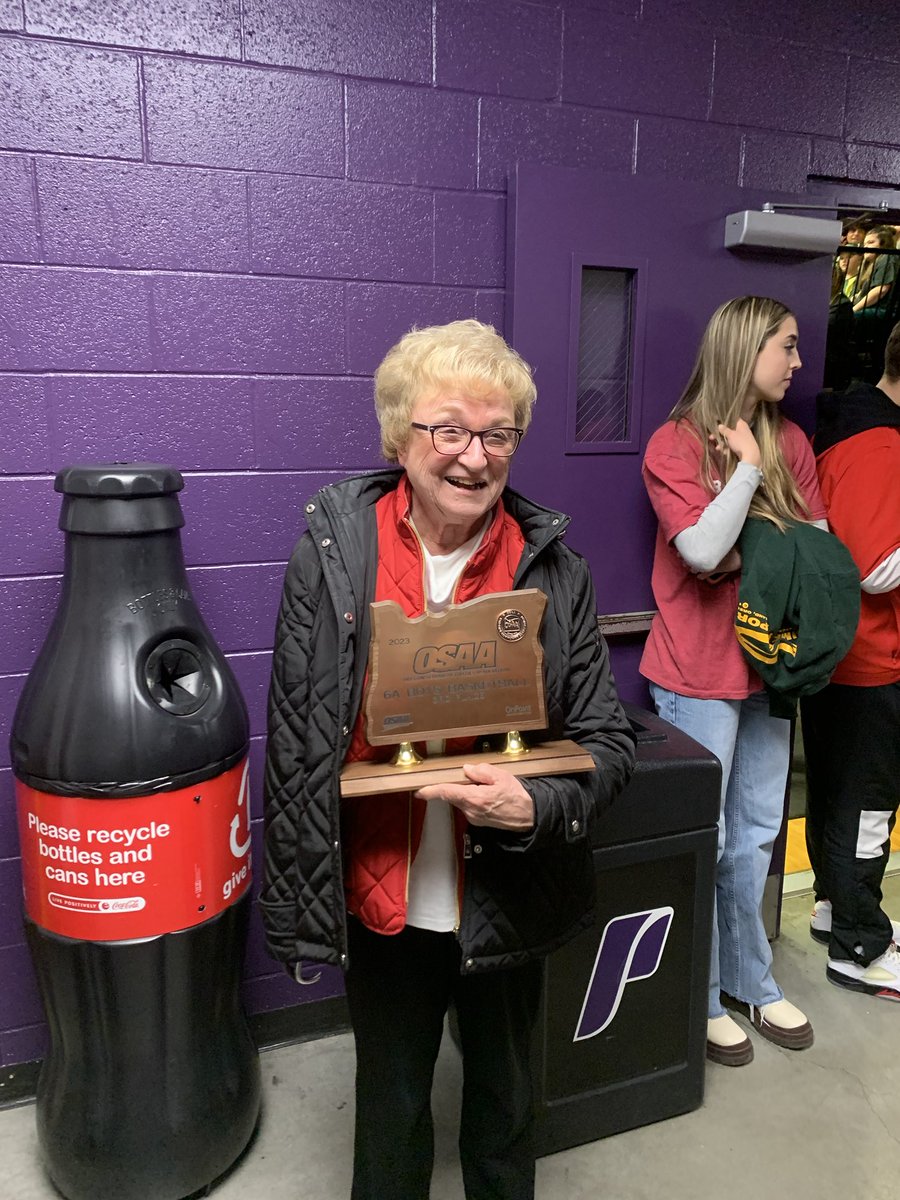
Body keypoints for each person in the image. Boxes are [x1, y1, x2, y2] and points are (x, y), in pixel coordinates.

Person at [261, 319, 636, 1199]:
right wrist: (297, 898)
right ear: (399, 436)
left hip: (508, 890)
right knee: (390, 1110)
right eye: (449, 430)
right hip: (381, 893)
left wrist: (536, 809)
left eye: (498, 433)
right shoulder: (332, 559)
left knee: (505, 1108)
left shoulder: (554, 570)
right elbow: (295, 740)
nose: (475, 457)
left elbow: (608, 744)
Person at [640, 296, 827, 1067]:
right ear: (747, 348)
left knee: (755, 837)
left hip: (770, 669)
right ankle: (705, 992)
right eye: (785, 346)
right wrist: (749, 474)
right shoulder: (675, 444)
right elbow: (701, 553)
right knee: (710, 839)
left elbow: (819, 552)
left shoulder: (797, 443)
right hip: (697, 671)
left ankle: (752, 978)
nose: (797, 361)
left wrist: (751, 541)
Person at [800, 319, 900, 1000]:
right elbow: (877, 566)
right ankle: (859, 945)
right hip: (870, 658)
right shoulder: (881, 443)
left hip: (847, 655)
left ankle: (838, 910)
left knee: (840, 797)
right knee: (866, 806)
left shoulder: (858, 428)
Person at [852, 225, 898, 315]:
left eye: (871, 242)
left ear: (884, 243)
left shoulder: (887, 257)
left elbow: (881, 290)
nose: (866, 247)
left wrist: (853, 310)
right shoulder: (872, 264)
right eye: (865, 244)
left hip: (883, 310)